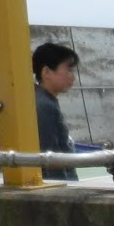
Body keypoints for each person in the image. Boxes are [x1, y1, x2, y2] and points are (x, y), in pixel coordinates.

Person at [32, 41, 79, 181]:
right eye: (68, 70)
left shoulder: (42, 99)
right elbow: (50, 154)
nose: (72, 76)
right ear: (46, 72)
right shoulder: (44, 105)